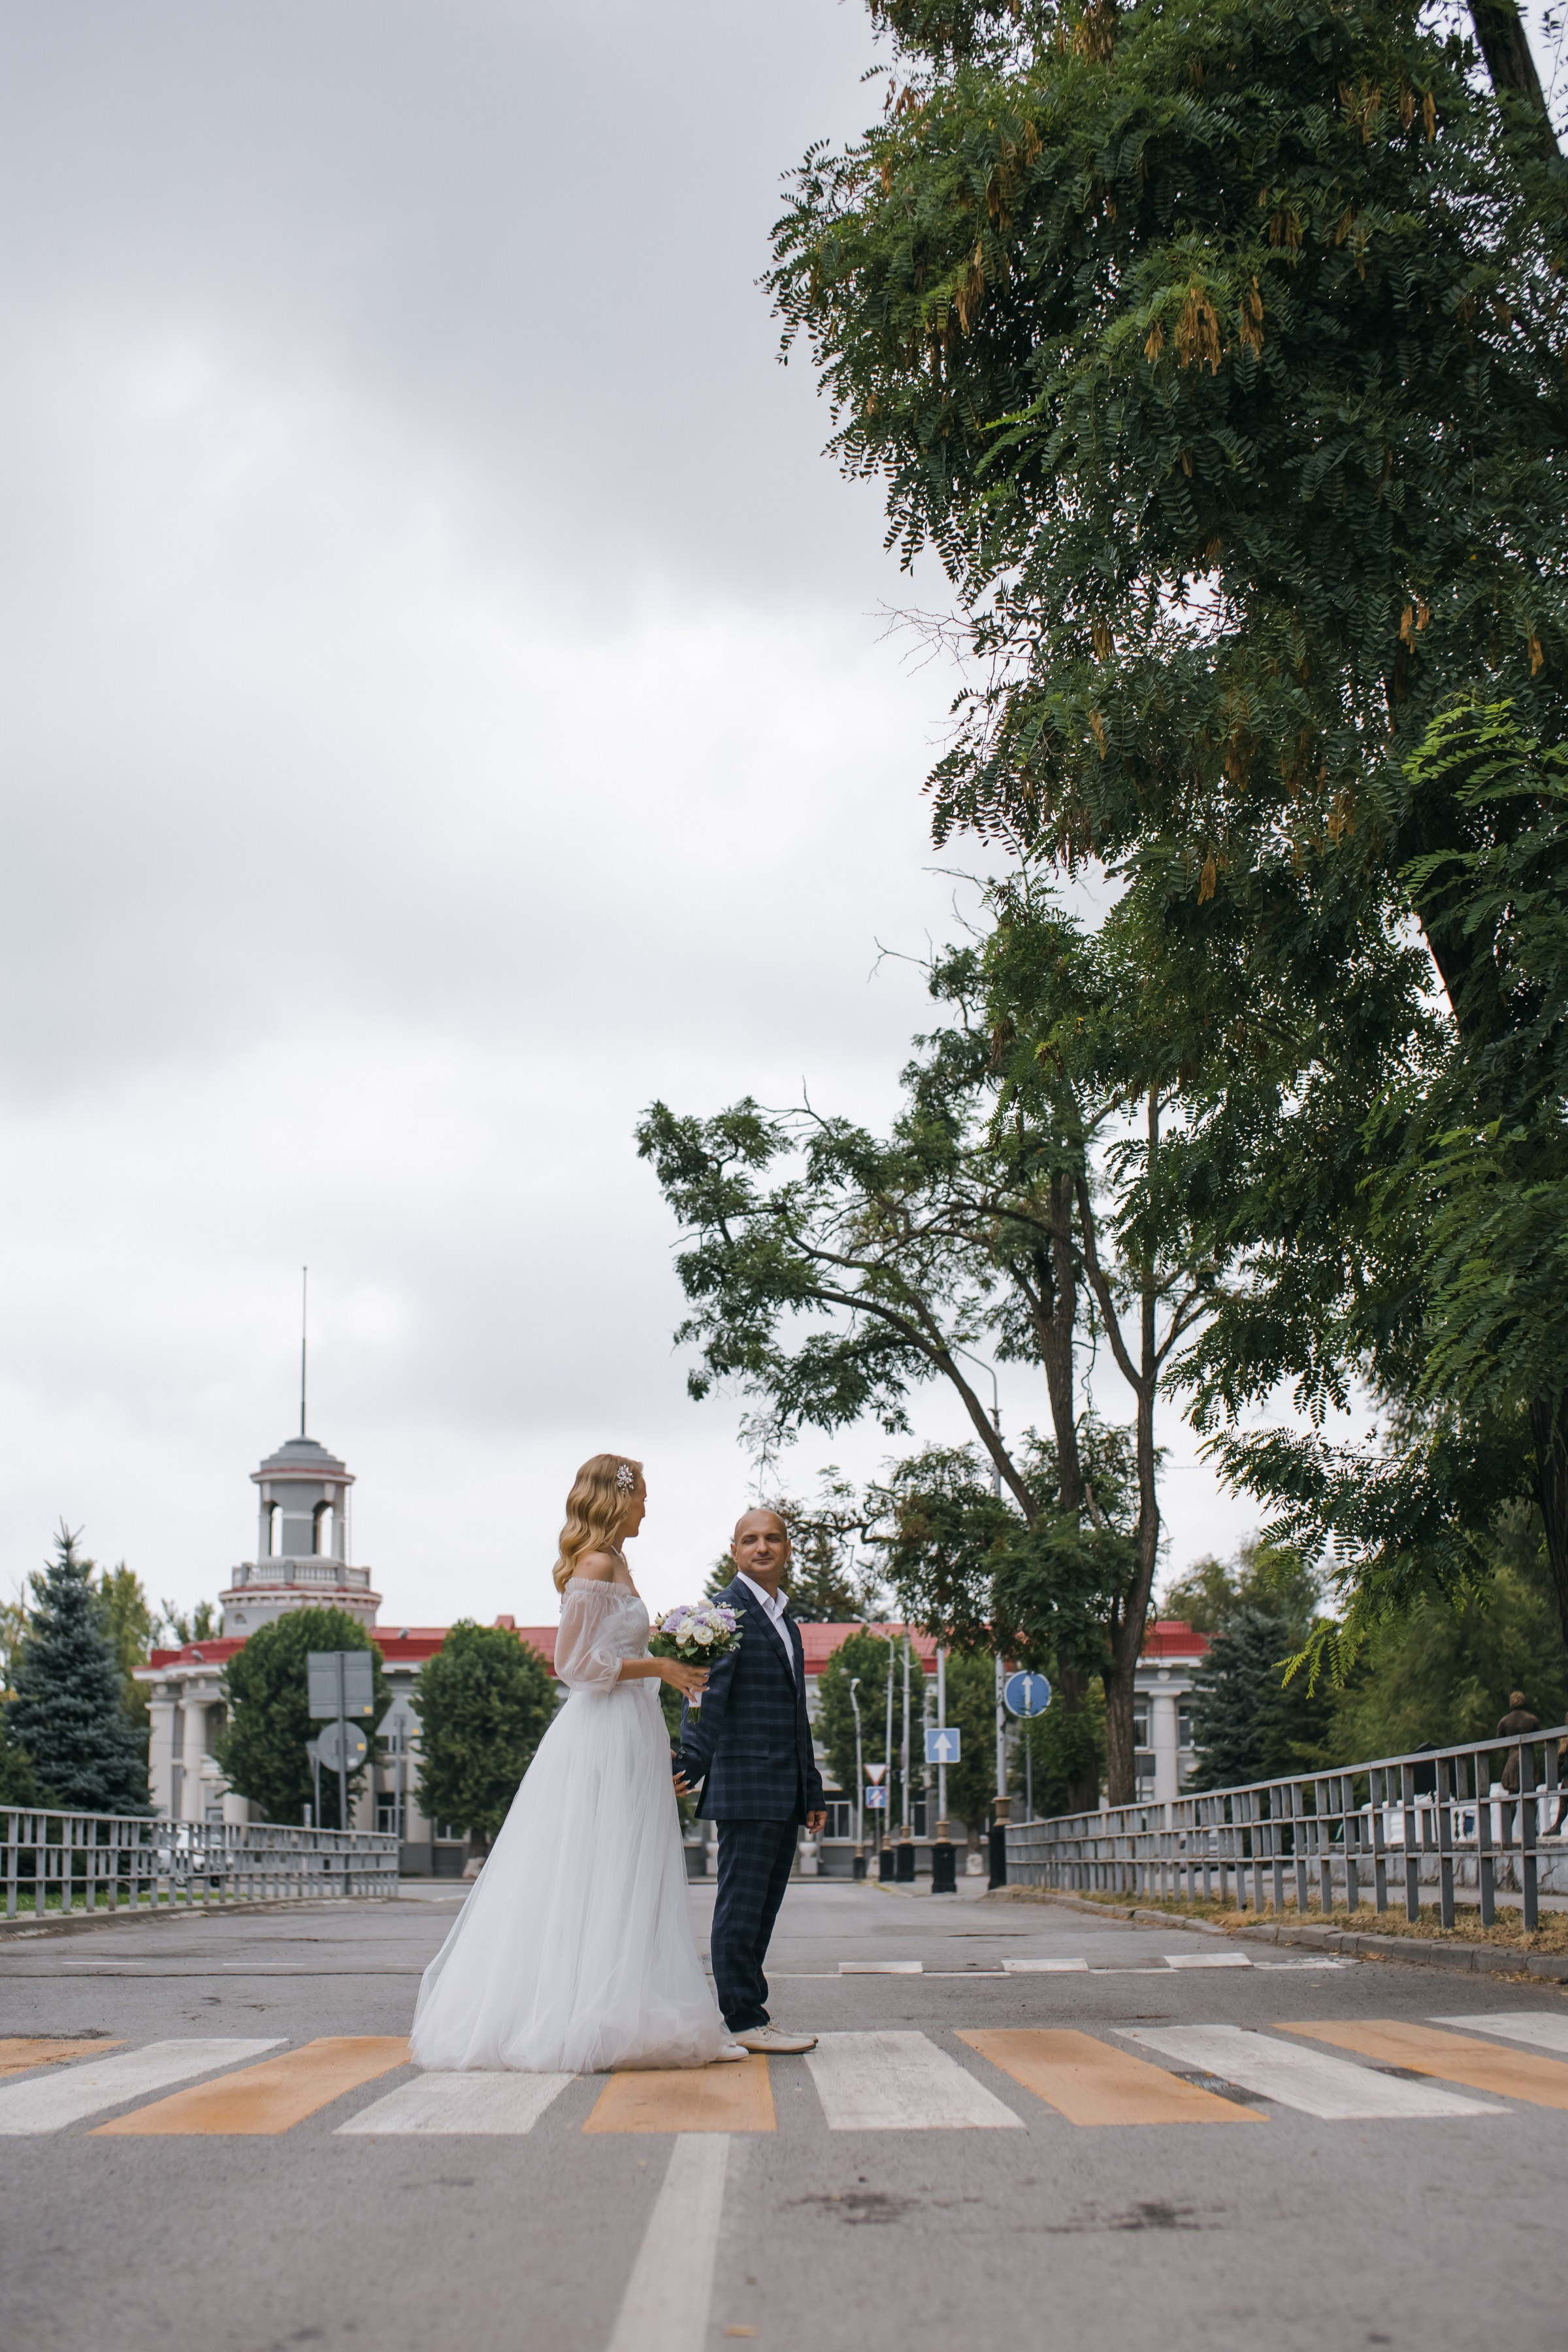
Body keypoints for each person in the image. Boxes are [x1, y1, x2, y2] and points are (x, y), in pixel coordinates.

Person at [410, 1454, 743, 2072]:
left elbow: (616, 1651)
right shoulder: (595, 1565)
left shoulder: (617, 1562)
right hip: (602, 1733)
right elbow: (574, 1666)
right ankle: (582, 2014)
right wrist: (661, 1667)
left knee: (630, 1867)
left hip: (632, 1728)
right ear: (616, 1499)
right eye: (642, 1495)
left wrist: (675, 1657)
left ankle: (624, 2005)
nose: (647, 1506)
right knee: (602, 1862)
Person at [673, 1508, 828, 2055]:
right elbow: (704, 1693)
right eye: (750, 1540)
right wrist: (690, 1761)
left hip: (783, 1788)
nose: (762, 1548)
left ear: (787, 1548)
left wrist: (813, 1788)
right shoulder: (726, 1612)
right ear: (735, 1551)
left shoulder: (785, 1620)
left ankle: (749, 2013)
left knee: (763, 1908)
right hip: (745, 1783)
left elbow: (795, 1712)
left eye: (772, 1539)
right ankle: (740, 2017)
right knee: (741, 1906)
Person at [1497, 1690, 1541, 1795]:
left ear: (1511, 1703)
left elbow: (1500, 1744)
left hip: (1513, 1757)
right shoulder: (1533, 1720)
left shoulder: (1504, 1721)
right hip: (1529, 1758)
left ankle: (1512, 1811)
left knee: (1512, 1793)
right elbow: (1540, 1738)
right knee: (1531, 1794)